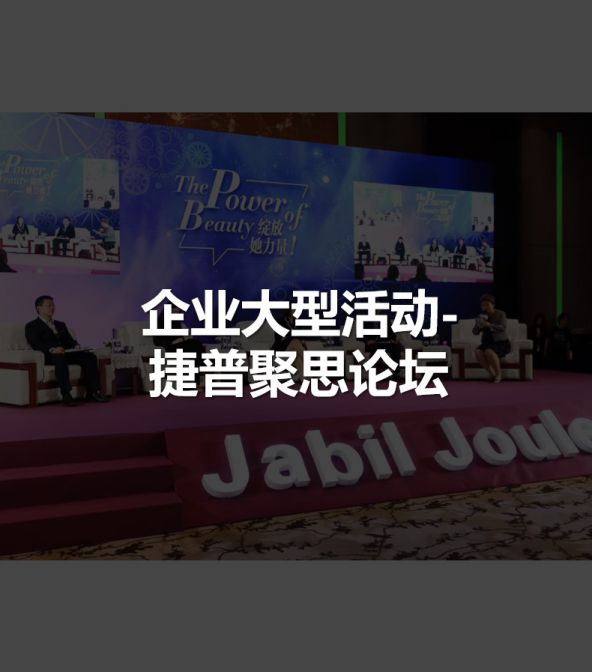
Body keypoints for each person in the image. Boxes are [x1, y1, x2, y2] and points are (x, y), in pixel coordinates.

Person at [25, 295, 108, 406]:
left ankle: (93, 392)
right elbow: (36, 344)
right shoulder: (32, 326)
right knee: (60, 358)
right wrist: (52, 349)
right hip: (49, 355)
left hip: (66, 352)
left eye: (53, 305)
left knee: (90, 357)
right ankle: (66, 394)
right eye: (49, 305)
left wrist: (76, 346)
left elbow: (70, 341)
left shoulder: (60, 324)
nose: (52, 308)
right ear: (38, 308)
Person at [153, 307, 205, 385]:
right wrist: (174, 341)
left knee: (197, 344)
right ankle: (196, 380)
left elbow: (181, 335)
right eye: (175, 310)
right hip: (169, 347)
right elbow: (158, 341)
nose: (177, 312)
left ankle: (197, 378)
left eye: (178, 311)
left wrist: (183, 338)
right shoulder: (161, 322)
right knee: (195, 348)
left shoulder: (176, 321)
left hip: (180, 344)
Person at [472, 294, 511, 383]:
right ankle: (491, 374)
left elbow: (502, 327)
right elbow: (474, 332)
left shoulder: (500, 314)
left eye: (487, 304)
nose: (485, 307)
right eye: (483, 305)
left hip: (501, 342)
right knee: (478, 352)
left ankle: (498, 374)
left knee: (488, 351)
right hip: (487, 342)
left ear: (493, 305)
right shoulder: (482, 316)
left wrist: (489, 325)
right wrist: (478, 325)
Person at [273, 308, 305, 381]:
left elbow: (300, 335)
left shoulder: (297, 322)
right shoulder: (281, 321)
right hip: (282, 346)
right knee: (295, 341)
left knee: (297, 356)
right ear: (288, 310)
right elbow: (283, 336)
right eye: (293, 309)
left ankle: (303, 378)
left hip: (293, 347)